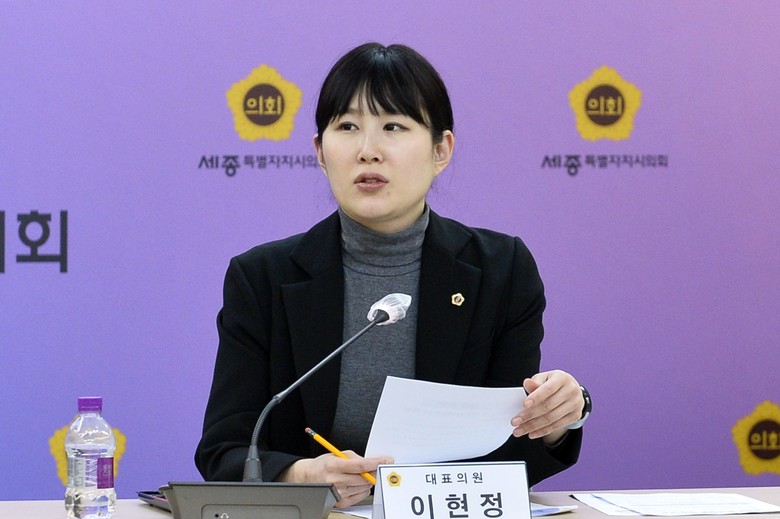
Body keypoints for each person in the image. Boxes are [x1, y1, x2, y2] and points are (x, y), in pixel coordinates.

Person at [195, 42, 588, 508]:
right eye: (347, 127)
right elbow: (225, 449)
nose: (368, 151)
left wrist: (555, 419)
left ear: (441, 150)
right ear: (320, 152)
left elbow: (511, 457)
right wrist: (301, 475)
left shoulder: (500, 270)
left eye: (393, 127)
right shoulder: (262, 279)